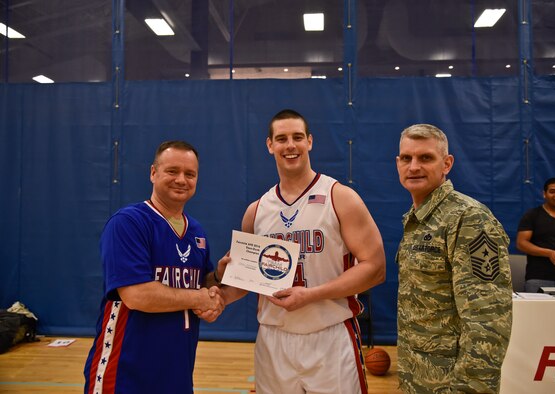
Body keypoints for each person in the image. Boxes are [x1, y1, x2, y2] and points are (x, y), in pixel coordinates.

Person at [216, 109, 386, 394]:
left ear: (310, 141)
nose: (290, 145)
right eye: (281, 139)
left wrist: (311, 295)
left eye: (297, 137)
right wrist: (222, 287)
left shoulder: (339, 196)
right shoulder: (256, 211)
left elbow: (376, 268)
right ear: (270, 145)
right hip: (273, 340)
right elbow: (245, 283)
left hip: (330, 336)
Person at [84, 141, 226, 394]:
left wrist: (218, 277)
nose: (181, 180)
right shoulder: (128, 222)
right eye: (172, 171)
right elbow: (137, 296)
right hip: (125, 371)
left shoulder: (196, 231)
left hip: (177, 371)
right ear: (153, 173)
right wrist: (201, 298)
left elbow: (198, 286)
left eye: (190, 174)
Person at [395, 124, 513, 393]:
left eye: (425, 158)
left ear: (447, 164)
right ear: (397, 163)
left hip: (453, 384)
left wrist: (469, 388)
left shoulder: (469, 218)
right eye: (406, 158)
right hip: (417, 377)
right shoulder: (417, 219)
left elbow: (489, 320)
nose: (413, 166)